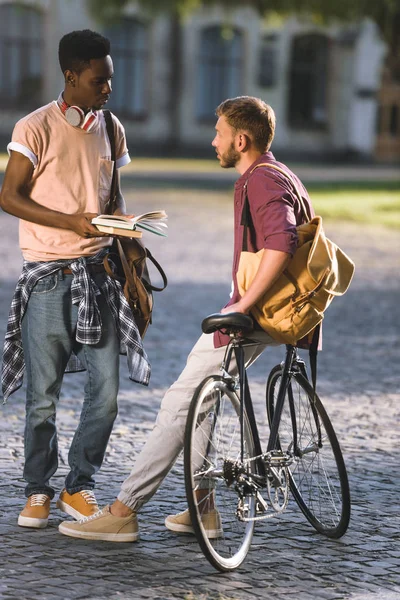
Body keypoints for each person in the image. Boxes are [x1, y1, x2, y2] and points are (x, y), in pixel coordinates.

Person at [58, 95, 314, 542]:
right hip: (270, 314)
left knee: (179, 403)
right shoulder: (278, 172)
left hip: (252, 317)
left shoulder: (261, 180)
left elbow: (282, 242)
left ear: (241, 139)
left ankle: (123, 511)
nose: (212, 141)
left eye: (218, 133)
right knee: (200, 399)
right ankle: (203, 508)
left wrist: (242, 304)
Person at [0, 30, 150, 530]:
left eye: (110, 78)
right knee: (42, 397)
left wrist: (132, 242)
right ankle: (37, 491)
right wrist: (71, 222)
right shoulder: (34, 127)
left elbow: (113, 198)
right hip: (47, 280)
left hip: (100, 276)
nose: (108, 87)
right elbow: (9, 196)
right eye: (99, 79)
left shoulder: (112, 128)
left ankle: (77, 486)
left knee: (106, 395)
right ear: (71, 76)